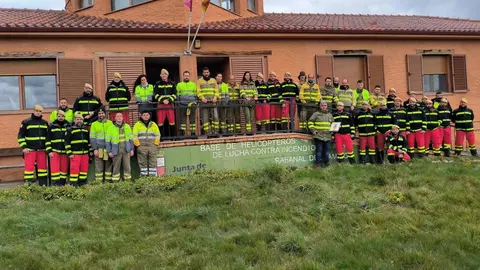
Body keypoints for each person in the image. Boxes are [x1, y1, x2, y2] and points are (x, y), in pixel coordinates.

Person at [17, 105, 49, 185]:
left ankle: (43, 186)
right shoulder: (26, 122)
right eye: (37, 111)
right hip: (30, 150)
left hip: (42, 150)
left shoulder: (44, 123)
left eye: (40, 111)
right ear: (33, 111)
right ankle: (28, 187)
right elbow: (20, 135)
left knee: (43, 170)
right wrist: (24, 147)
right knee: (29, 169)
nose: (38, 113)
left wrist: (47, 148)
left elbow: (48, 137)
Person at [107, 113, 134, 182]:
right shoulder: (110, 127)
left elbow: (131, 139)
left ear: (123, 118)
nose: (119, 118)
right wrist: (109, 151)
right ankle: (116, 183)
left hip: (126, 150)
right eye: (117, 116)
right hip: (116, 151)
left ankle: (127, 182)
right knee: (116, 167)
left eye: (120, 116)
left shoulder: (127, 126)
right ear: (115, 118)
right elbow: (107, 141)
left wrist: (132, 149)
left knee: (127, 167)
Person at [46, 109, 70, 186]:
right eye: (59, 116)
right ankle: (55, 187)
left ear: (64, 117)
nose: (60, 118)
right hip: (54, 151)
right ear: (56, 116)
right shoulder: (52, 126)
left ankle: (62, 186)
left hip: (64, 152)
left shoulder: (68, 125)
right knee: (55, 170)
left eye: (62, 116)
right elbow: (48, 139)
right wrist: (49, 151)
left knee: (63, 170)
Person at [66, 114, 91, 186]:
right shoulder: (70, 129)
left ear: (82, 121)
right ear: (74, 120)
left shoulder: (85, 130)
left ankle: (82, 185)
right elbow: (67, 142)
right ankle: (73, 185)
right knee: (74, 170)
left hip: (85, 154)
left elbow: (88, 142)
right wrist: (69, 153)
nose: (79, 121)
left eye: (81, 119)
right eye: (77, 119)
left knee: (84, 170)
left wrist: (90, 152)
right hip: (75, 154)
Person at [90, 106, 113, 182]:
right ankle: (98, 183)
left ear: (105, 114)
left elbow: (113, 136)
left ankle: (108, 183)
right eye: (99, 113)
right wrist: (95, 149)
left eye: (102, 113)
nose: (101, 115)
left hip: (107, 149)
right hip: (99, 149)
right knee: (99, 167)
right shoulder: (94, 124)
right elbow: (92, 138)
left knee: (108, 166)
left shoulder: (110, 123)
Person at [133, 110, 161, 177]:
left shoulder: (153, 124)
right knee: (142, 163)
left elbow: (158, 135)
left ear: (149, 116)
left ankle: (152, 178)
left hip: (152, 146)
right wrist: (138, 145)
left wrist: (155, 144)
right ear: (141, 116)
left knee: (152, 163)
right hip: (141, 146)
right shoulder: (137, 125)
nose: (146, 116)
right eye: (144, 115)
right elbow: (134, 136)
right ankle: (144, 179)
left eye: (147, 115)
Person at [308, 101, 333, 167]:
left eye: (325, 105)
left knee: (327, 152)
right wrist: (313, 131)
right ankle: (318, 165)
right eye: (322, 105)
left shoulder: (330, 115)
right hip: (319, 136)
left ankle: (327, 164)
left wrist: (332, 132)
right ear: (320, 106)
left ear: (327, 106)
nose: (324, 107)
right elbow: (310, 123)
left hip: (328, 136)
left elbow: (333, 125)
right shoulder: (316, 114)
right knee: (319, 152)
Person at [154, 69, 177, 138]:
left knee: (172, 121)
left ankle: (173, 138)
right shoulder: (157, 84)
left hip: (170, 105)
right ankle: (161, 138)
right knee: (160, 122)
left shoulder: (172, 83)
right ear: (160, 75)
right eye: (162, 74)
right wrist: (162, 100)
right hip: (161, 105)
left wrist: (169, 100)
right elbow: (155, 94)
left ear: (167, 75)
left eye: (165, 74)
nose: (164, 75)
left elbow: (175, 94)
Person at [197, 67, 220, 136]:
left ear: (209, 73)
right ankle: (208, 133)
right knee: (205, 118)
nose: (206, 74)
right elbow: (198, 91)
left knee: (215, 117)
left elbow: (217, 90)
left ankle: (216, 132)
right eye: (205, 72)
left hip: (213, 102)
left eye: (207, 72)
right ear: (202, 73)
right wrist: (202, 98)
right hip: (204, 103)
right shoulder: (199, 81)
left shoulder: (213, 80)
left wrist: (215, 97)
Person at [176, 70, 197, 136]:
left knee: (192, 119)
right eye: (185, 75)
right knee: (182, 119)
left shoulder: (193, 84)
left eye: (187, 76)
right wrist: (179, 103)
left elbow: (196, 94)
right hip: (182, 104)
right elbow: (178, 95)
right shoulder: (179, 84)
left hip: (192, 104)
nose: (186, 77)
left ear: (189, 76)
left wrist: (195, 102)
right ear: (183, 76)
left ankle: (193, 133)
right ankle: (182, 133)